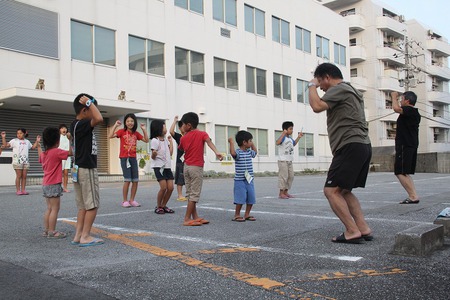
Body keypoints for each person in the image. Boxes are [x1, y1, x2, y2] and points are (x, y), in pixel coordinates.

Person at [308, 63, 372, 244]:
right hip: (361, 145)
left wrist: (310, 85)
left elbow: (317, 105)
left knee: (331, 191)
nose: (320, 86)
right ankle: (363, 228)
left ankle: (352, 230)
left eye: (320, 82)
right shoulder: (350, 89)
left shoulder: (339, 88)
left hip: (350, 145)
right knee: (343, 191)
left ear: (327, 77)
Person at [69, 93, 104, 247]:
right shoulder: (83, 123)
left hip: (78, 168)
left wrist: (90, 104)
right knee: (92, 205)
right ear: (84, 110)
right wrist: (90, 102)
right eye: (91, 108)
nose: (94, 110)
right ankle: (86, 236)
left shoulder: (75, 125)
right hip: (86, 168)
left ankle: (78, 236)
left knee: (83, 206)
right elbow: (99, 119)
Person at [178, 112, 223, 226]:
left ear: (188, 125)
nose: (182, 127)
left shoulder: (183, 138)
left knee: (190, 193)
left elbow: (181, 148)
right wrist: (217, 152)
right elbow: (209, 142)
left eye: (182, 124)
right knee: (194, 194)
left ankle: (195, 216)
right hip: (196, 167)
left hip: (186, 167)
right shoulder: (202, 134)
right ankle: (187, 219)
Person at [109, 114, 149, 208]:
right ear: (125, 123)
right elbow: (110, 136)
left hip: (133, 158)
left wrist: (143, 129)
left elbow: (146, 140)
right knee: (127, 180)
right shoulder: (121, 131)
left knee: (135, 180)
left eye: (131, 121)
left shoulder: (136, 133)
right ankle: (125, 201)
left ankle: (132, 200)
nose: (130, 123)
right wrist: (115, 125)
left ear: (134, 122)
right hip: (124, 158)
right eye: (128, 121)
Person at [38, 127, 71, 239]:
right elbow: (71, 153)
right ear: (57, 141)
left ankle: (47, 230)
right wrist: (70, 140)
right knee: (55, 209)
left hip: (46, 183)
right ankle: (52, 231)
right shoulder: (57, 152)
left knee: (49, 208)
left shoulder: (44, 153)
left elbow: (40, 159)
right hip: (54, 184)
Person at [391, 91, 421, 204]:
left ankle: (413, 196)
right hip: (410, 144)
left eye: (402, 99)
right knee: (405, 172)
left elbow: (396, 108)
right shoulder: (414, 113)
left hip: (405, 145)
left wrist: (393, 97)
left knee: (400, 172)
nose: (400, 101)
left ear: (407, 100)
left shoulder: (409, 110)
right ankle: (413, 195)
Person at [228, 131, 257, 222]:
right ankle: (237, 215)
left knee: (251, 197)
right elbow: (233, 154)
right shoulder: (238, 152)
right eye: (250, 140)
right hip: (239, 180)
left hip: (249, 179)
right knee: (240, 198)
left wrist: (252, 144)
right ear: (244, 142)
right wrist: (231, 143)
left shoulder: (249, 152)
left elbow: (255, 152)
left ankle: (247, 214)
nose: (251, 142)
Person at [1, 128, 40, 195]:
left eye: (20, 133)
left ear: (24, 134)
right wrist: (3, 137)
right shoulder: (14, 141)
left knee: (24, 176)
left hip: (25, 161)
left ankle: (23, 190)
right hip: (17, 161)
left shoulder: (27, 141)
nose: (19, 135)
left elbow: (33, 147)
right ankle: (18, 190)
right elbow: (5, 145)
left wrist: (37, 141)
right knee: (19, 175)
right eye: (18, 133)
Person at [150, 119, 175, 214]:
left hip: (167, 167)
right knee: (163, 187)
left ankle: (164, 205)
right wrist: (154, 153)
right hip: (159, 167)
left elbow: (170, 152)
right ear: (159, 128)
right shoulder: (155, 141)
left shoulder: (165, 140)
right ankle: (158, 206)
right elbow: (153, 156)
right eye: (164, 126)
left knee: (171, 188)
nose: (166, 128)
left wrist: (171, 142)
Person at [276, 121, 303, 199]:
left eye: (292, 129)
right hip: (283, 160)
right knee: (283, 176)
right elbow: (277, 142)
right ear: (285, 129)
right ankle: (281, 193)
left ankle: (286, 192)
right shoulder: (283, 137)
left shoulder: (290, 139)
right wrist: (283, 134)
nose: (292, 130)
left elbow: (294, 144)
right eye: (290, 129)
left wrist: (299, 137)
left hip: (289, 160)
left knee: (291, 176)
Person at [169, 115, 187, 201]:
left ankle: (189, 194)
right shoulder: (179, 136)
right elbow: (171, 131)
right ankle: (180, 195)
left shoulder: (190, 136)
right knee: (180, 178)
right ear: (180, 128)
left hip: (189, 160)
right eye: (183, 126)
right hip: (180, 161)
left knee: (189, 178)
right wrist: (175, 121)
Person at [59, 124, 72, 193]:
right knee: (60, 173)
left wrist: (70, 138)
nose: (64, 129)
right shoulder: (58, 137)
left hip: (67, 157)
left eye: (65, 128)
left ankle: (65, 187)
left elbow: (71, 145)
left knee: (66, 173)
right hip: (60, 157)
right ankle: (59, 187)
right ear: (59, 130)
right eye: (62, 128)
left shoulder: (68, 137)